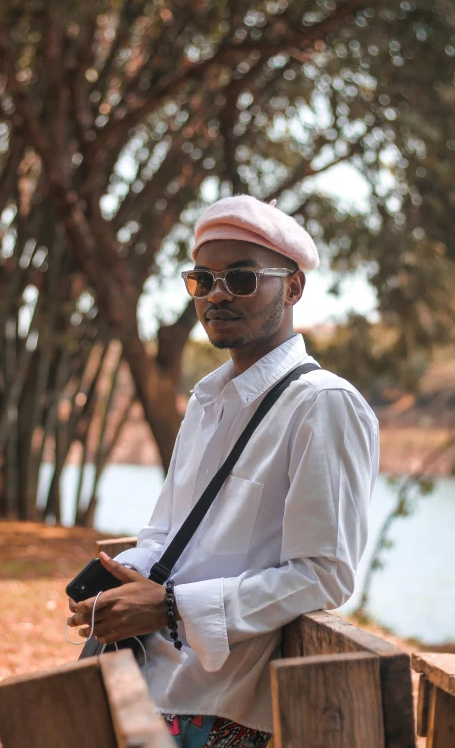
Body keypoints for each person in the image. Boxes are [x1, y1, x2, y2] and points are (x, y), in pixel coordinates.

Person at [68, 195, 379, 748]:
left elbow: (326, 574)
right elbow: (164, 533)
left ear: (292, 288)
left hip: (216, 706)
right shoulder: (208, 399)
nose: (216, 293)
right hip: (143, 680)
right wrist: (119, 586)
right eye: (202, 278)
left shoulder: (323, 405)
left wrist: (167, 607)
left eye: (241, 278)